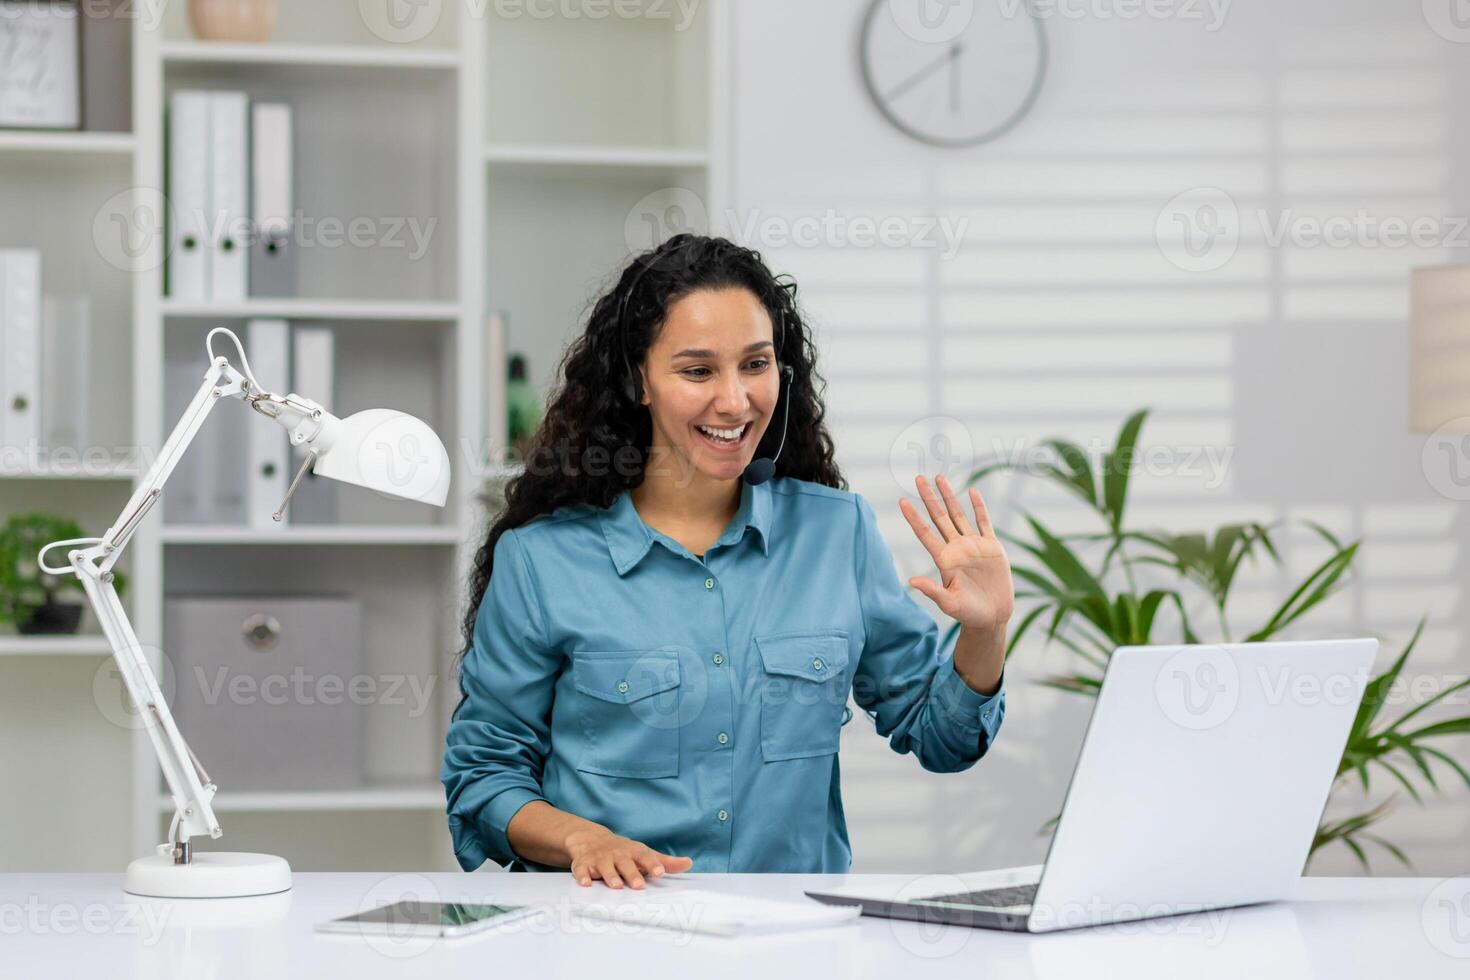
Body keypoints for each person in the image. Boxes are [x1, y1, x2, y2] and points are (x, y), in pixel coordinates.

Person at [443, 234, 1013, 888]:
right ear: (639, 380)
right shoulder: (543, 562)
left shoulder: (838, 534)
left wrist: (985, 630)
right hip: (609, 936)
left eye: (755, 364)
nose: (735, 402)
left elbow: (942, 737)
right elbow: (482, 777)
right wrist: (583, 839)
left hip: (794, 943)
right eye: (697, 371)